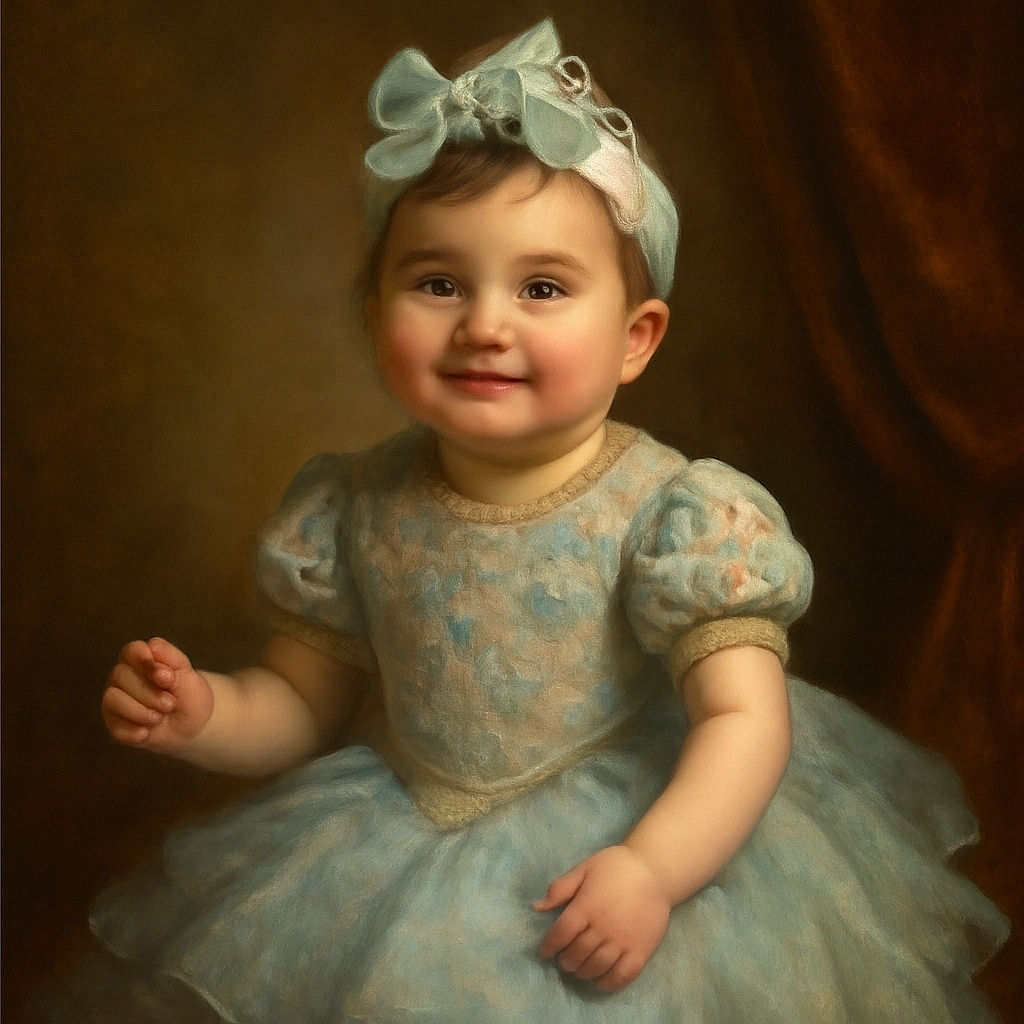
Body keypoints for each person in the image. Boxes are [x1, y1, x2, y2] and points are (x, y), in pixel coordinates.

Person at [87, 19, 1007, 1023]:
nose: (485, 322)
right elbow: (300, 707)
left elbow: (745, 720)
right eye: (438, 283)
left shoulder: (678, 513)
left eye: (541, 287)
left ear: (633, 339)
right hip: (397, 842)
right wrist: (208, 714)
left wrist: (653, 871)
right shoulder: (348, 505)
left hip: (628, 845)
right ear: (372, 315)